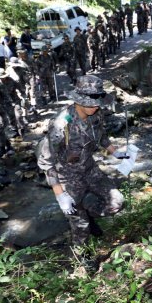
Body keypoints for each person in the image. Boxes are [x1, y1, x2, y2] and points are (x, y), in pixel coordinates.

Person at [36, 75, 125, 245]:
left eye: (97, 101)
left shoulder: (96, 114)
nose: (95, 106)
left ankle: (87, 209)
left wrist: (116, 153)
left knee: (117, 202)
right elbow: (47, 162)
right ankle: (83, 259)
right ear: (78, 100)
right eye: (90, 102)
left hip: (90, 170)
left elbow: (101, 137)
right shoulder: (61, 124)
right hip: (68, 177)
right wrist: (60, 194)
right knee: (80, 227)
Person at [0, 68, 27, 138]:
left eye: (4, 77)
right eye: (1, 78)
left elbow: (19, 87)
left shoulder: (11, 80)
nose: (3, 79)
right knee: (11, 117)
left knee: (18, 115)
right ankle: (15, 131)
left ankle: (23, 129)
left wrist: (23, 94)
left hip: (15, 100)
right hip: (6, 103)